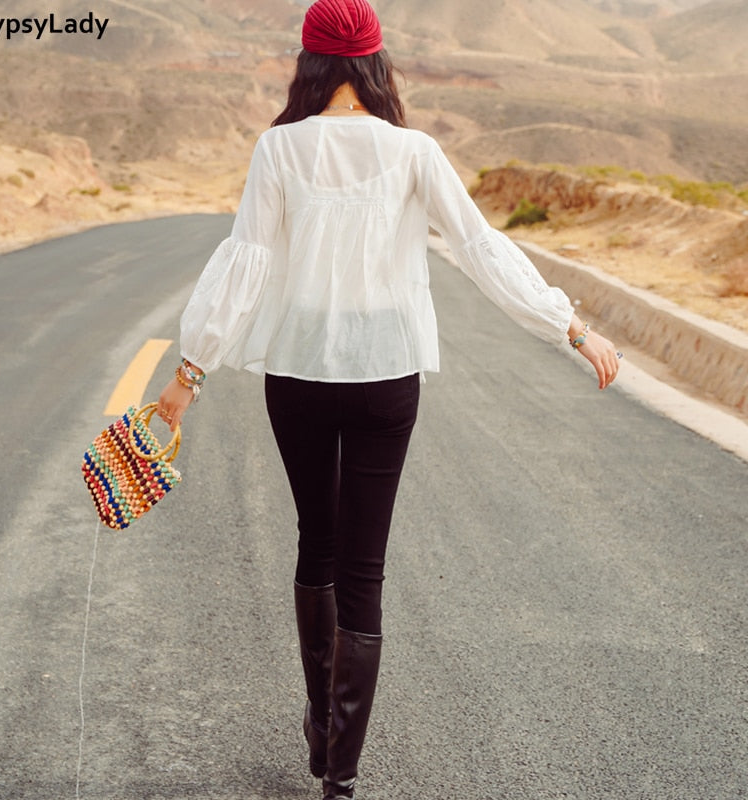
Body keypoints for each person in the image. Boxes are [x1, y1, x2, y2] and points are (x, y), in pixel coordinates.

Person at [158, 1, 620, 797]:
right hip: (385, 376)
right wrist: (570, 328)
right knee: (363, 569)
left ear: (310, 64)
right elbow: (481, 249)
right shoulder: (415, 151)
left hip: (298, 373)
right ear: (376, 64)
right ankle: (340, 775)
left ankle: (319, 718)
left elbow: (247, 265)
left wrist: (188, 375)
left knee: (317, 542)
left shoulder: (278, 149)